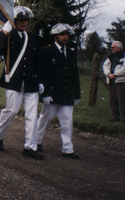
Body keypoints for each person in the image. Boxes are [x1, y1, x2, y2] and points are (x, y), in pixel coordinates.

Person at [0, 6, 44, 160]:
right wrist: (4, 32)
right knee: (12, 111)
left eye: (26, 20)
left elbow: (37, 60)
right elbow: (0, 51)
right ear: (14, 21)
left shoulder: (32, 37)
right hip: (14, 80)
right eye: (20, 20)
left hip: (30, 82)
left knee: (32, 115)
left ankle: (30, 146)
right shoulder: (9, 35)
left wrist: (39, 80)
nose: (24, 23)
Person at [36, 23, 81, 159]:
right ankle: (36, 141)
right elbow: (42, 73)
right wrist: (44, 94)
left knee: (67, 122)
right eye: (62, 34)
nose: (65, 37)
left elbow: (74, 74)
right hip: (52, 93)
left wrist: (76, 94)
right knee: (45, 119)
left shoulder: (72, 53)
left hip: (67, 93)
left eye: (67, 35)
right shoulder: (46, 51)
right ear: (55, 36)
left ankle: (67, 148)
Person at [103, 41, 125, 123]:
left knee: (122, 100)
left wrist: (115, 74)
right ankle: (115, 116)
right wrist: (108, 74)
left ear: (119, 48)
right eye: (111, 47)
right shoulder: (110, 57)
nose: (111, 49)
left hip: (120, 81)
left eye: (113, 47)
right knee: (113, 100)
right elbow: (105, 66)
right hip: (111, 81)